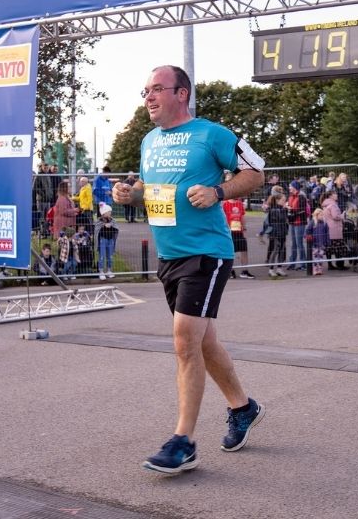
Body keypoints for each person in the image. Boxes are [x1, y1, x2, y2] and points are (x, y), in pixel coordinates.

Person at [112, 65, 266, 475]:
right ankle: (243, 407)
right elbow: (152, 188)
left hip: (206, 253)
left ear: (182, 94)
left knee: (184, 340)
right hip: (169, 255)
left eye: (157, 89)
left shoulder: (212, 134)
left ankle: (184, 442)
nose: (148, 97)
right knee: (204, 342)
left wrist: (218, 190)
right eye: (145, 90)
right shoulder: (148, 141)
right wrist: (131, 193)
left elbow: (256, 171)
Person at [222, 172, 255, 279]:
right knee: (231, 252)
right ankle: (230, 271)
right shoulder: (225, 203)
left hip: (239, 231)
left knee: (244, 251)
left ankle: (245, 270)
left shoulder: (239, 204)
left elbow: (242, 217)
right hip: (229, 231)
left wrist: (244, 230)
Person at [96, 203, 119, 280]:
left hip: (110, 240)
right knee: (102, 255)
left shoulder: (112, 220)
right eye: (108, 212)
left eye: (110, 212)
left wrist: (111, 226)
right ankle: (101, 271)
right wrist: (104, 226)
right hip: (103, 239)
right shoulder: (99, 221)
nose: (110, 213)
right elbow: (97, 229)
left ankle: (109, 270)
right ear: (104, 213)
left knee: (110, 256)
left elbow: (116, 228)